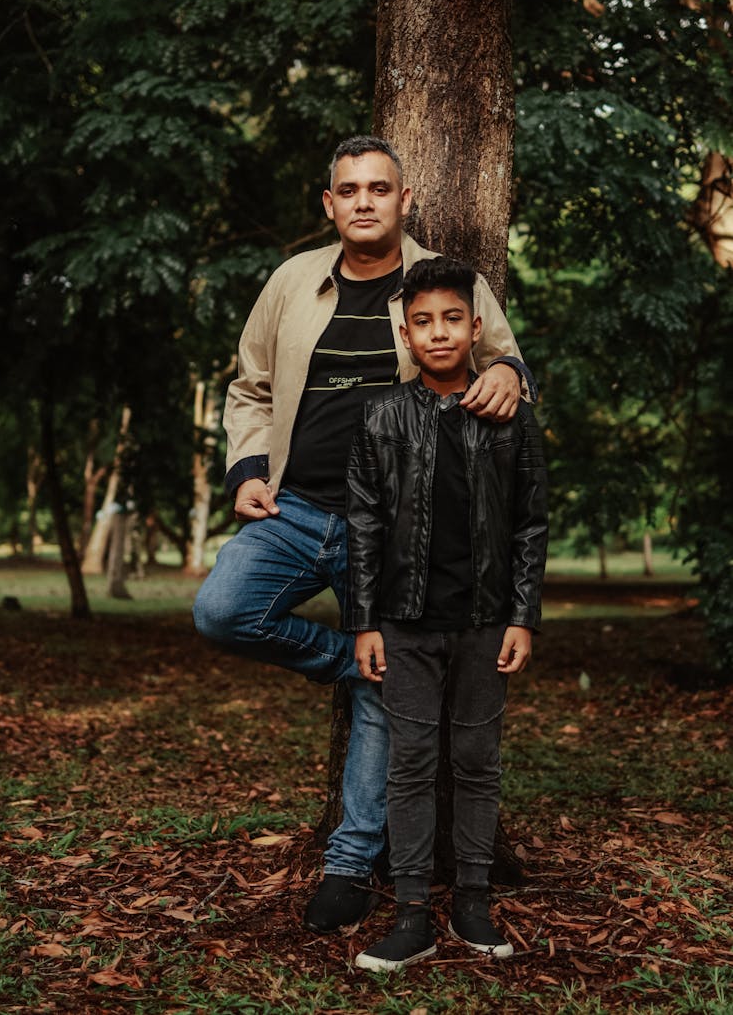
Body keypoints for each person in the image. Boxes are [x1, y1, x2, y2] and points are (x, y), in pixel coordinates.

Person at [192, 136, 536, 934]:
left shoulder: (444, 279)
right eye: (348, 189)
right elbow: (249, 383)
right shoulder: (290, 283)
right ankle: (344, 658)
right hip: (296, 508)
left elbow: (505, 361)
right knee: (221, 608)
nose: (364, 201)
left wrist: (510, 373)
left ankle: (348, 867)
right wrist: (247, 467)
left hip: (399, 532)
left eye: (380, 187)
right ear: (329, 203)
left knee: (388, 697)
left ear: (404, 198)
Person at [346, 256, 548, 971]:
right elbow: (364, 523)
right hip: (404, 623)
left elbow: (530, 523)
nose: (438, 333)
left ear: (475, 326)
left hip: (486, 621)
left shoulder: (511, 418)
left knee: (475, 761)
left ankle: (470, 898)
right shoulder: (380, 415)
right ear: (405, 332)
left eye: (452, 318)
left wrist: (523, 615)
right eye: (423, 321)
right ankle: (409, 913)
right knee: (410, 764)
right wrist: (365, 620)